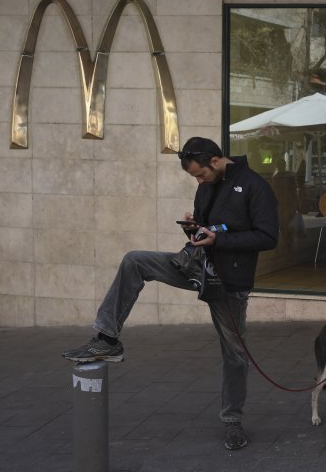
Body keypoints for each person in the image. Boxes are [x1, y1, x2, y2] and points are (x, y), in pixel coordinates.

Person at [61, 137, 279, 451]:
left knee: (234, 355)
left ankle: (232, 422)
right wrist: (195, 228)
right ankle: (108, 339)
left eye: (200, 175)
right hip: (193, 265)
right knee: (134, 261)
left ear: (215, 161)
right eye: (195, 178)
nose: (199, 181)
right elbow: (208, 227)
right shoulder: (206, 185)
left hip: (229, 282)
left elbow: (268, 236)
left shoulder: (254, 186)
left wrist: (218, 240)